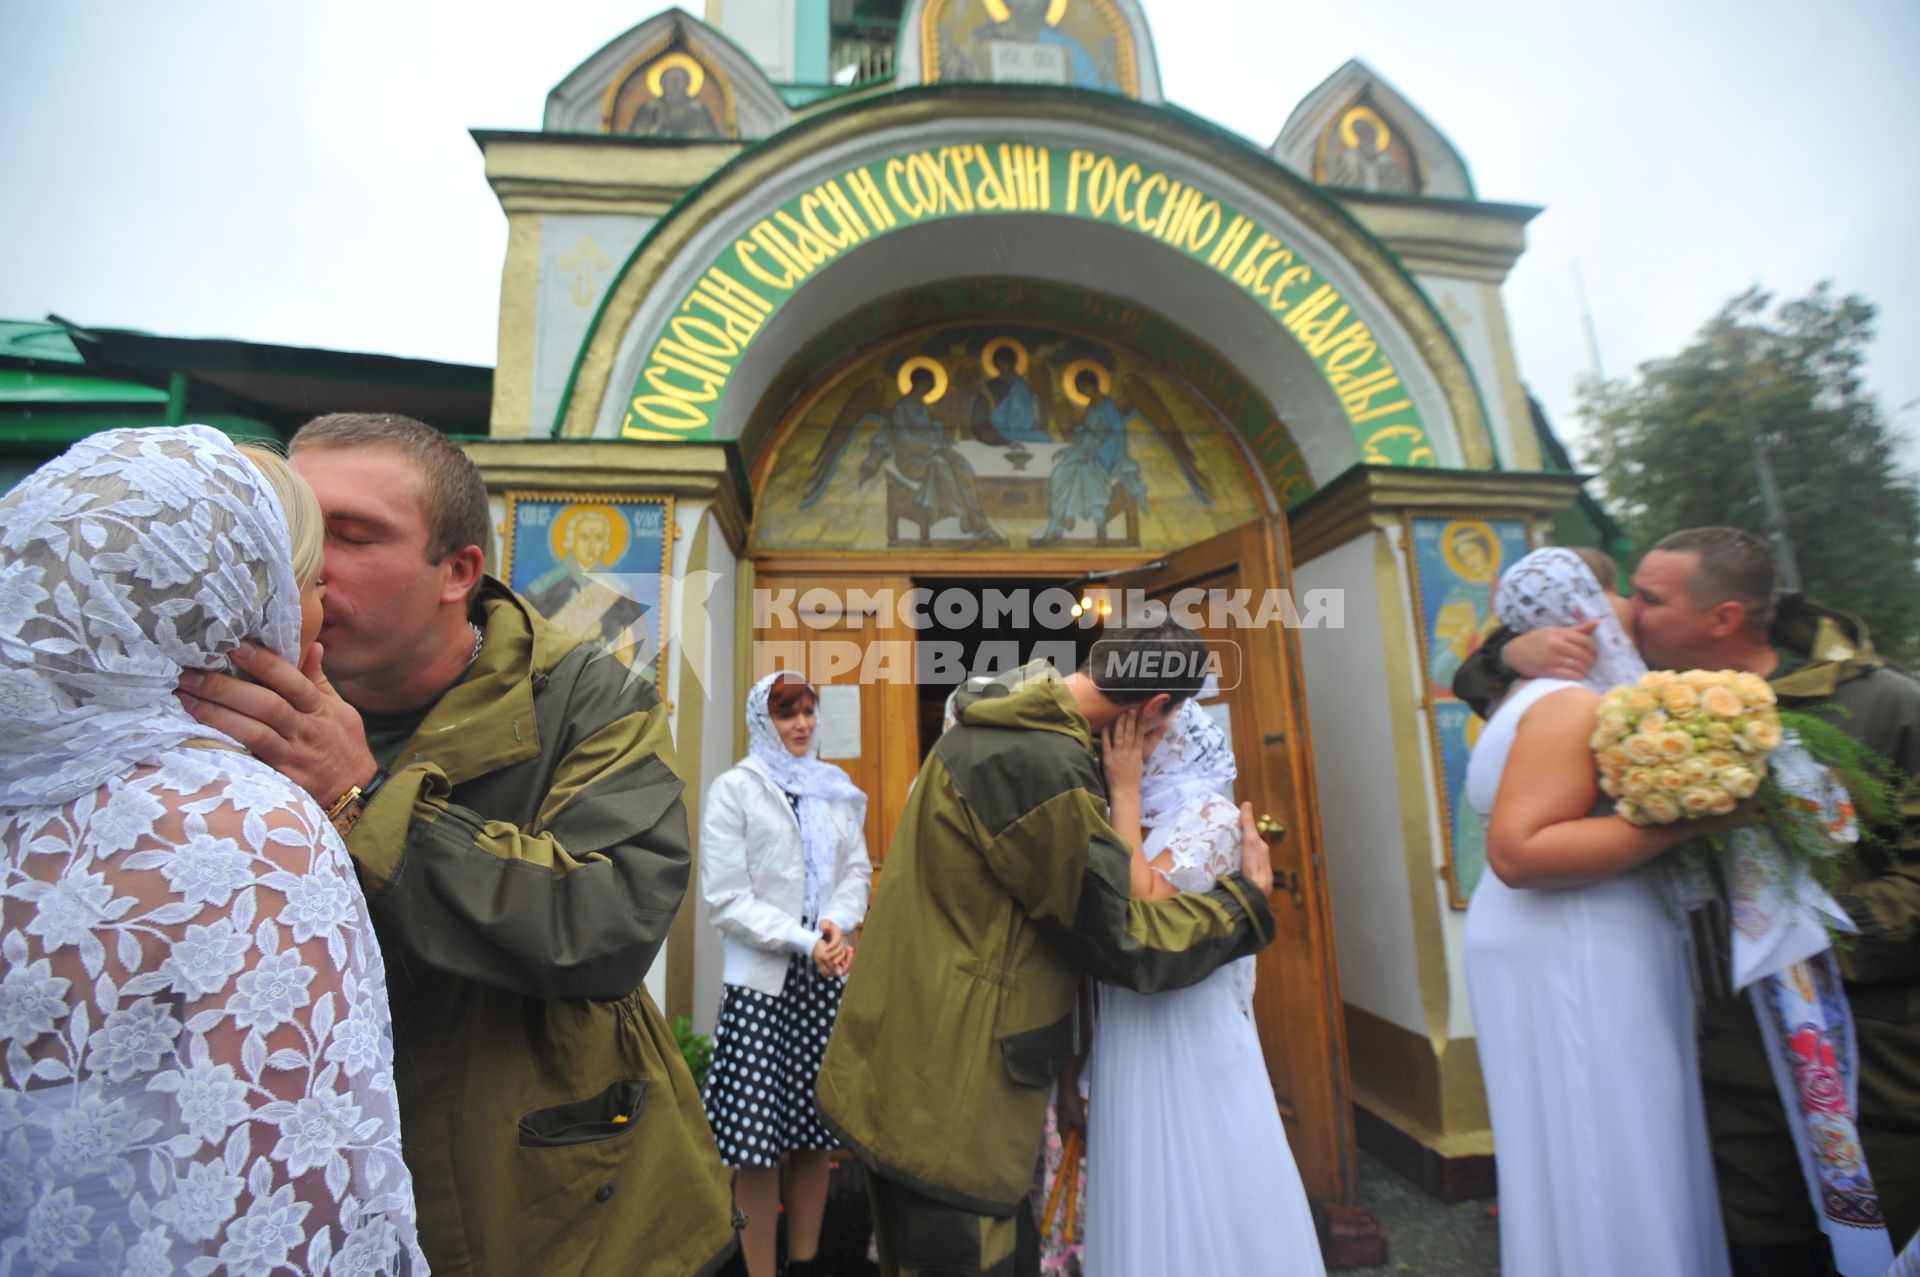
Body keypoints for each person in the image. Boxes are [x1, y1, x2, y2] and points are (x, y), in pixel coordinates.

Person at [175, 413, 739, 1276]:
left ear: (458, 571)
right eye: (294, 526)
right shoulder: (213, 699)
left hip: (579, 1216)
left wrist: (359, 801)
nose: (311, 560)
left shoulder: (586, 695)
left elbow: (609, 922)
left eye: (355, 534)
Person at [0, 426, 426, 1273]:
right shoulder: (252, 828)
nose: (317, 605)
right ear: (234, 599)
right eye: (303, 576)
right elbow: (295, 1196)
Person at [1454, 528, 1920, 1273]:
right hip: (1717, 1039)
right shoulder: (1637, 689)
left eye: (1649, 597)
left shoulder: (1878, 702)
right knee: (1755, 1241)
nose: (1625, 611)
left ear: (1724, 616)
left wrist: (1813, 941)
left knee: (1873, 1231)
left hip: (1861, 1038)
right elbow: (1496, 688)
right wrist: (1512, 650)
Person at [815, 624, 1278, 1277]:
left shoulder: (999, 720)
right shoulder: (1044, 766)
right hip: (951, 1094)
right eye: (1170, 720)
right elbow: (1121, 936)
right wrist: (1247, 905)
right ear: (1151, 707)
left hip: (911, 1066)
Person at [1463, 546, 1733, 1276]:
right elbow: (1519, 852)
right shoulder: (1567, 701)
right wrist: (1690, 819)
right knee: (1607, 1139)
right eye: (1625, 597)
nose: (1633, 616)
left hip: (1567, 933)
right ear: (1585, 606)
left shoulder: (1526, 691)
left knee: (1597, 1134)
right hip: (1575, 936)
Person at [1085, 697, 1325, 1277]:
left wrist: (1124, 789)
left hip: (1190, 1031)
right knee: (1146, 1182)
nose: (1130, 742)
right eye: (1121, 731)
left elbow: (1141, 910)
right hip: (1133, 1022)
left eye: (1151, 728)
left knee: (1215, 1180)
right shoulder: (1134, 814)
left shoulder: (1212, 816)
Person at [700, 672, 872, 1277]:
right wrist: (806, 941)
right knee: (756, 1147)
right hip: (762, 991)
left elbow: (856, 872)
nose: (800, 725)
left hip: (821, 985)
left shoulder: (834, 790)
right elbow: (725, 898)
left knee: (815, 1139)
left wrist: (835, 925)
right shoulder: (736, 790)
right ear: (762, 723)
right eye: (785, 714)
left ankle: (806, 1266)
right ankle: (758, 1271)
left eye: (807, 712)